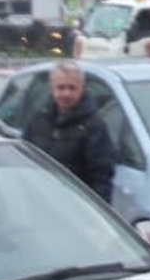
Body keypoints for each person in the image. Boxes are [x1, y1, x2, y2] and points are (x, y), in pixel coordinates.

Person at [22, 60, 117, 202]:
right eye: (61, 88)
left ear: (82, 89)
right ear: (51, 88)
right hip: (39, 202)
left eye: (72, 88)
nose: (66, 93)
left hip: (76, 206)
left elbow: (102, 177)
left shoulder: (94, 126)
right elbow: (25, 165)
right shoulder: (38, 121)